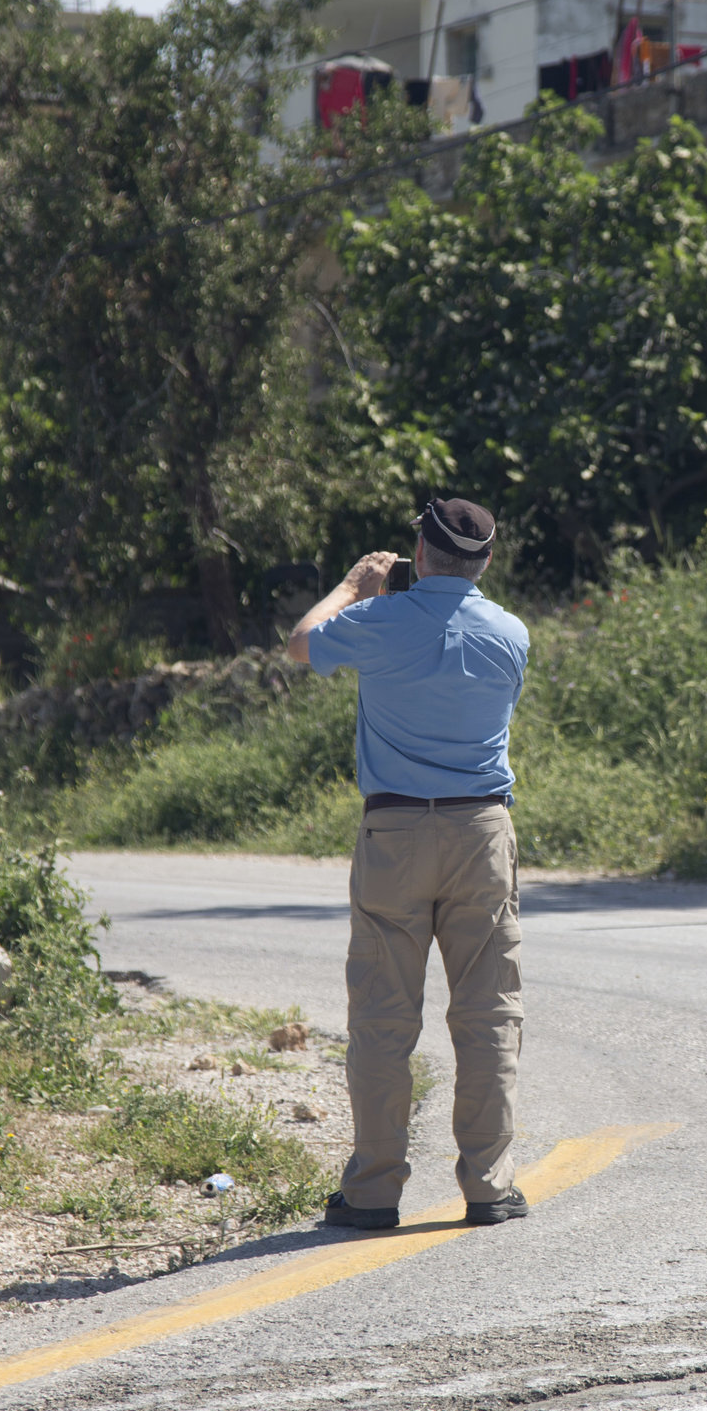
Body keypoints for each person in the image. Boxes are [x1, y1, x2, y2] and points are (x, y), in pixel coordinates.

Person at [287, 499, 532, 1229]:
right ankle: (489, 1185)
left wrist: (358, 583)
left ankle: (373, 1190)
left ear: (419, 553)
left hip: (393, 827)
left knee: (383, 1018)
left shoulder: (379, 619)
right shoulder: (511, 633)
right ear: (485, 560)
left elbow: (301, 643)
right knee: (488, 1012)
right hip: (481, 829)